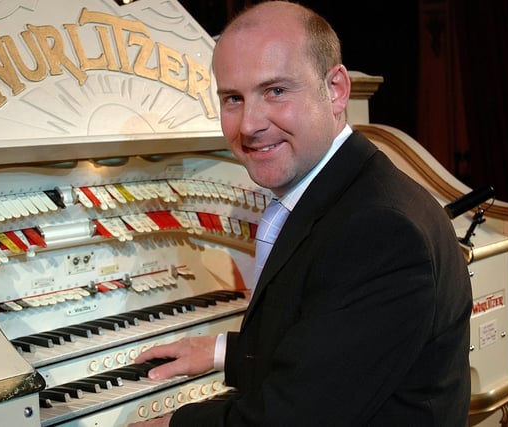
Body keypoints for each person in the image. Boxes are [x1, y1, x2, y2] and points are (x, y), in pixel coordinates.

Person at [130, 1, 472, 426]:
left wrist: (169, 425)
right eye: (233, 98)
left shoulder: (380, 230)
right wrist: (222, 350)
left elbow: (297, 416)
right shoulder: (344, 190)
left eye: (275, 91)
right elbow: (330, 350)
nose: (249, 124)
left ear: (336, 89)